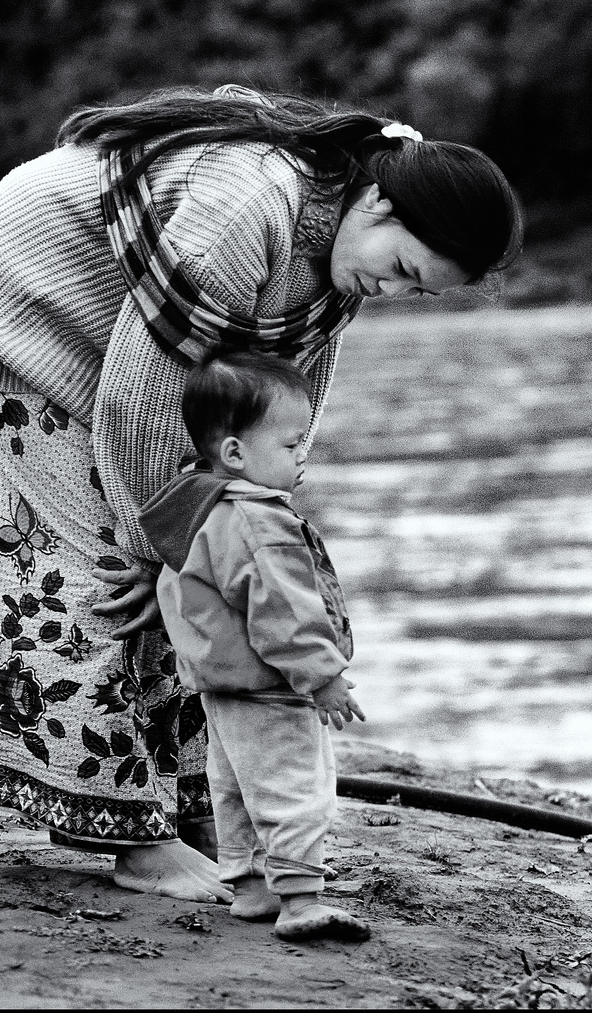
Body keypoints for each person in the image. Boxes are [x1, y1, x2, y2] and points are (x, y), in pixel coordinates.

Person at [0, 84, 521, 903]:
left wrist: (257, 508)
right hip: (19, 305)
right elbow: (141, 400)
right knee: (101, 573)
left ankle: (189, 805)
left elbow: (282, 394)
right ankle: (127, 835)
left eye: (420, 291)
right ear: (374, 203)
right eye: (402, 270)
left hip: (122, 341)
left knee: (202, 559)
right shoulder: (245, 212)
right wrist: (161, 544)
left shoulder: (343, 243)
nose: (395, 293)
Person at [139, 348, 369, 941]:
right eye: (292, 446)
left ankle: (250, 889)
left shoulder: (198, 512)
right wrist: (321, 676)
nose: (303, 458)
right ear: (236, 453)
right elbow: (283, 611)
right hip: (272, 684)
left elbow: (178, 591)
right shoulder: (261, 522)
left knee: (236, 787)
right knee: (297, 786)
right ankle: (299, 900)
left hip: (222, 683)